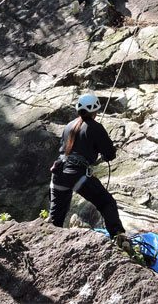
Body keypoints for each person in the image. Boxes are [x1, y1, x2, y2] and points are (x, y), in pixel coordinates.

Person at [49, 94, 131, 250]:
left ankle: (50, 244)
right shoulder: (95, 127)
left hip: (58, 173)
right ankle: (119, 236)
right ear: (95, 109)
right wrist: (105, 153)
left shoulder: (68, 126)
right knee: (106, 202)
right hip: (77, 173)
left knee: (56, 218)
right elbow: (109, 154)